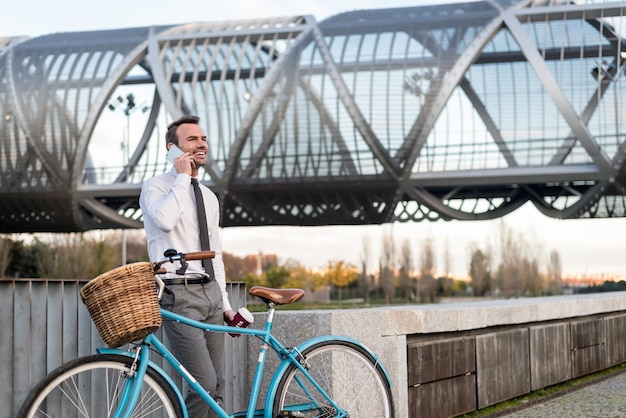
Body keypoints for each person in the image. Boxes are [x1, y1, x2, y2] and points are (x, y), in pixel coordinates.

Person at [139, 114, 236, 417]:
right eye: (192, 139)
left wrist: (226, 303)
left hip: (211, 294)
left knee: (216, 386)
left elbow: (214, 253)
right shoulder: (154, 187)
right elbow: (165, 220)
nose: (201, 144)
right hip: (178, 296)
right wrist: (183, 178)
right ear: (172, 149)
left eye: (203, 138)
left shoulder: (209, 196)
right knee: (202, 383)